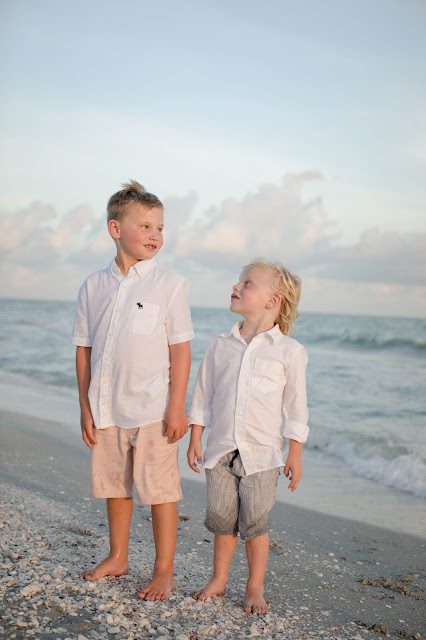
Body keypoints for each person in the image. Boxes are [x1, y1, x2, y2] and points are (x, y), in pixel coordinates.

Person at [71, 180, 193, 601]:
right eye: (144, 226)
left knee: (160, 491)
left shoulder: (170, 284)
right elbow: (84, 349)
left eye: (160, 227)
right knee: (114, 485)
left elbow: (180, 351)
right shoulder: (93, 285)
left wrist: (178, 407)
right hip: (106, 408)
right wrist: (85, 407)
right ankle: (118, 555)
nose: (155, 235)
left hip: (153, 409)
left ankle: (164, 570)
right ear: (115, 229)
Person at [187, 258, 309, 614]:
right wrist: (196, 436)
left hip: (263, 455)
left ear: (273, 301)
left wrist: (295, 453)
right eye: (239, 281)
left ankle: (254, 586)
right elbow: (203, 394)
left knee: (253, 522)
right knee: (222, 517)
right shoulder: (220, 345)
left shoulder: (289, 351)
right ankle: (219, 578)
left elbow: (296, 409)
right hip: (220, 448)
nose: (237, 287)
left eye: (248, 283)